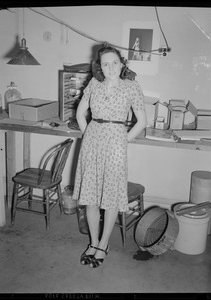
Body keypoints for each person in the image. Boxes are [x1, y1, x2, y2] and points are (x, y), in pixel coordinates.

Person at [72, 45, 147, 268]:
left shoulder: (131, 86)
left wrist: (122, 141)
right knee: (91, 196)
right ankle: (93, 243)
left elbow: (141, 122)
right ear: (100, 66)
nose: (110, 67)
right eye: (105, 63)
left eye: (114, 62)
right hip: (92, 141)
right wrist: (90, 136)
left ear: (122, 63)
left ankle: (104, 244)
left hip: (116, 142)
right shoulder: (94, 84)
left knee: (111, 196)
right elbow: (79, 113)